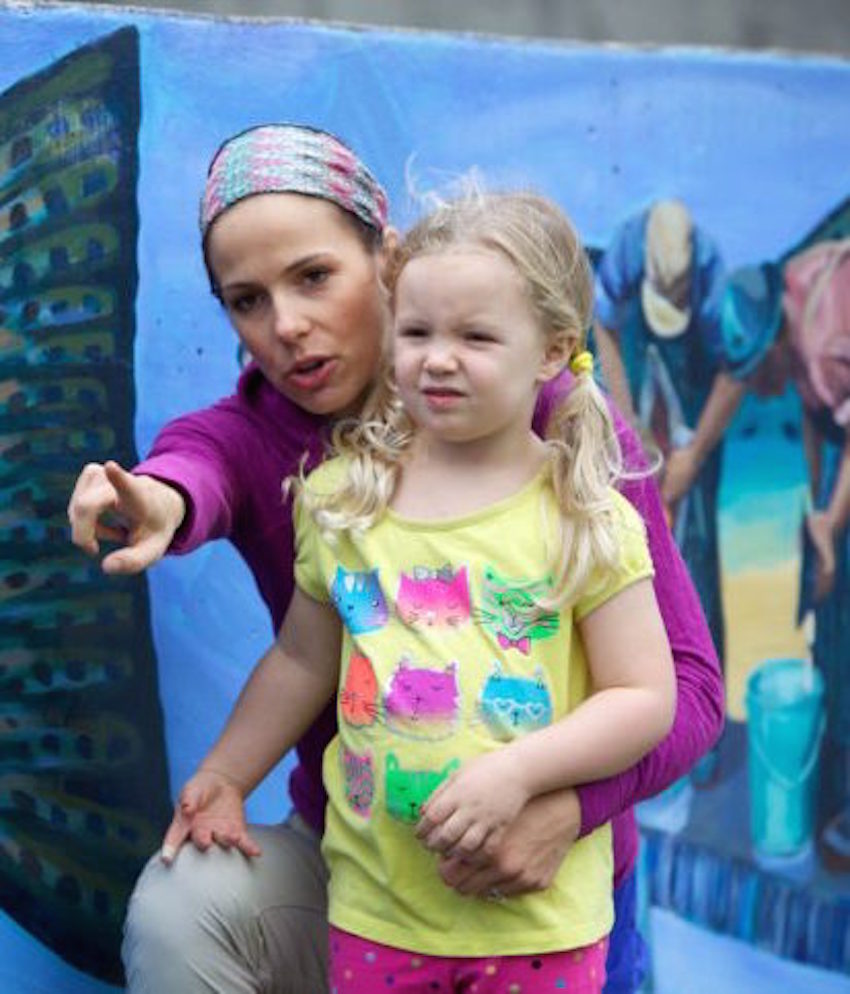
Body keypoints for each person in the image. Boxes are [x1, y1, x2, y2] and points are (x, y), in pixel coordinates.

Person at [67, 124, 723, 994]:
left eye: (313, 276)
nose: (288, 326)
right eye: (247, 299)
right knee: (182, 902)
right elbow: (202, 476)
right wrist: (156, 499)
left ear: (387, 256)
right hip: (374, 886)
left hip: (550, 897)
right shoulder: (329, 484)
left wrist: (564, 808)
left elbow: (683, 691)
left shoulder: (563, 442)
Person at [722, 243, 850, 872]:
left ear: (776, 341)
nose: (755, 387)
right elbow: (808, 410)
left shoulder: (830, 339)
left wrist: (830, 520)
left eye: (755, 370)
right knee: (823, 608)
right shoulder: (788, 288)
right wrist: (811, 506)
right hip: (836, 434)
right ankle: (828, 762)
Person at [593, 199, 740, 675]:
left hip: (696, 388)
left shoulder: (712, 275)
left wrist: (694, 454)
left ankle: (699, 687)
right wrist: (629, 422)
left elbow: (734, 370)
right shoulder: (626, 253)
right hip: (638, 379)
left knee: (694, 549)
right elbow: (604, 324)